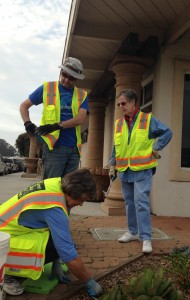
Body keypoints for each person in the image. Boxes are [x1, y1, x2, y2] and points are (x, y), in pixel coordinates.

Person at [0, 169, 103, 298]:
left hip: (8, 231)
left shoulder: (56, 184)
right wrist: (89, 281)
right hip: (2, 241)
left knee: (59, 243)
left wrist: (56, 262)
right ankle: (8, 275)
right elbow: (68, 253)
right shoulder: (54, 207)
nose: (81, 204)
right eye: (82, 199)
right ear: (74, 192)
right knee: (60, 247)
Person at [109, 89, 172, 254]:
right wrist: (111, 164)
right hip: (124, 170)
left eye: (123, 103)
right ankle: (132, 231)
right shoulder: (118, 123)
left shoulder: (147, 119)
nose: (121, 107)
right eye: (119, 104)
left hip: (143, 169)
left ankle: (146, 238)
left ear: (132, 103)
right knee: (129, 203)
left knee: (141, 203)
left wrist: (157, 147)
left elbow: (167, 132)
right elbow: (116, 145)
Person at [20, 57, 88, 179]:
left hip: (74, 150)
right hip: (54, 148)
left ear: (77, 79)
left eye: (71, 78)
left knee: (69, 188)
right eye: (64, 75)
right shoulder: (47, 88)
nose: (66, 80)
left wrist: (57, 126)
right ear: (61, 72)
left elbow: (80, 119)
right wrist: (27, 123)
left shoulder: (82, 95)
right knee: (51, 185)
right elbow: (24, 106)